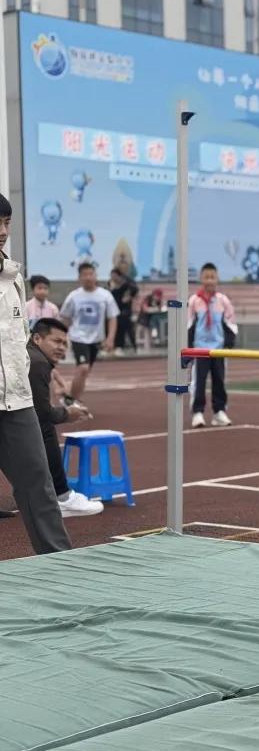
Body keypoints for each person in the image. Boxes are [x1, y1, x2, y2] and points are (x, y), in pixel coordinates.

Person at [0, 193, 71, 553]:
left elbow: (17, 338)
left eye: (7, 222)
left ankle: (61, 567)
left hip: (15, 399)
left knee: (38, 486)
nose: (2, 230)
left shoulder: (13, 277)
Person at [28, 318, 103, 517]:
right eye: (56, 341)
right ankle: (62, 495)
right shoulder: (37, 363)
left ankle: (44, 494)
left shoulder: (32, 356)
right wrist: (67, 414)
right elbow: (40, 412)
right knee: (44, 428)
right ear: (37, 338)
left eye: (65, 344)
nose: (62, 348)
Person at [188, 262, 238, 428]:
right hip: (200, 349)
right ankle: (198, 412)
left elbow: (230, 322)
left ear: (217, 279)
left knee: (219, 381)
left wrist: (229, 344)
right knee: (198, 382)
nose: (209, 280)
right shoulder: (194, 301)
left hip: (218, 349)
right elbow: (189, 324)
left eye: (212, 277)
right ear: (201, 279)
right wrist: (188, 346)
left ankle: (219, 411)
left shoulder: (223, 301)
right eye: (206, 277)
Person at [59, 263, 118, 401]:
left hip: (96, 339)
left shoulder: (105, 296)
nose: (88, 277)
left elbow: (112, 318)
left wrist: (110, 338)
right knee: (83, 368)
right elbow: (65, 318)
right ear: (79, 278)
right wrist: (62, 339)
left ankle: (71, 397)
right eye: (84, 275)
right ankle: (71, 400)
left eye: (91, 274)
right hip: (78, 337)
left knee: (84, 372)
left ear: (96, 276)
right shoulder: (73, 296)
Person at [109, 265, 138, 354]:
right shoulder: (110, 283)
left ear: (119, 275)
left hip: (125, 309)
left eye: (114, 275)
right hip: (115, 309)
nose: (113, 277)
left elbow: (135, 289)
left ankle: (134, 347)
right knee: (117, 328)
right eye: (111, 276)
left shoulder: (126, 284)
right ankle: (118, 346)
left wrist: (129, 296)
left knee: (128, 328)